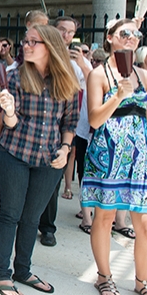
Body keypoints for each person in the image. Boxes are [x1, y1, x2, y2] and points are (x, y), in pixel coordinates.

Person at [0, 24, 79, 295]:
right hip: (15, 154)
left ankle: (23, 271)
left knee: (32, 219)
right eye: (25, 42)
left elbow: (69, 123)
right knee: (10, 215)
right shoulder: (15, 76)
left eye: (33, 42)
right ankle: (2, 273)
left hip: (50, 160)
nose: (26, 46)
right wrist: (9, 111)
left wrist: (65, 150)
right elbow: (11, 125)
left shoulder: (66, 82)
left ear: (50, 46)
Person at [81, 19, 147, 295]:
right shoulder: (98, 75)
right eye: (125, 33)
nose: (132, 39)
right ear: (110, 38)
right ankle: (104, 276)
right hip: (109, 154)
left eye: (136, 35)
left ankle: (142, 282)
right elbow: (95, 119)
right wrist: (118, 94)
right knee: (105, 217)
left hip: (141, 158)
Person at [38, 16, 89, 247]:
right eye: (62, 30)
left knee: (52, 180)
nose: (67, 35)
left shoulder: (76, 64)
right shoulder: (39, 53)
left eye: (71, 32)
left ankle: (48, 227)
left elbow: (84, 90)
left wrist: (82, 65)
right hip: (38, 124)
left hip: (62, 126)